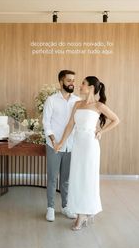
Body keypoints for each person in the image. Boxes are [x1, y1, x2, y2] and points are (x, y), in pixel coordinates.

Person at [54, 76, 120, 230]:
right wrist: (61, 142)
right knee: (77, 177)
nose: (79, 85)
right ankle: (80, 213)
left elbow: (116, 120)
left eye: (83, 83)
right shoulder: (77, 104)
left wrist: (101, 131)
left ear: (91, 88)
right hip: (78, 145)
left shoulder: (99, 105)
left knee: (88, 178)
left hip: (90, 145)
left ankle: (82, 215)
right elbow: (70, 125)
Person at [43, 70, 80, 222]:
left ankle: (65, 207)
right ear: (61, 82)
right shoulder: (51, 100)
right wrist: (54, 142)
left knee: (66, 179)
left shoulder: (77, 101)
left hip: (71, 146)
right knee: (52, 178)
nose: (72, 83)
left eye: (73, 80)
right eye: (69, 80)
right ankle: (50, 208)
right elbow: (46, 123)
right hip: (54, 145)